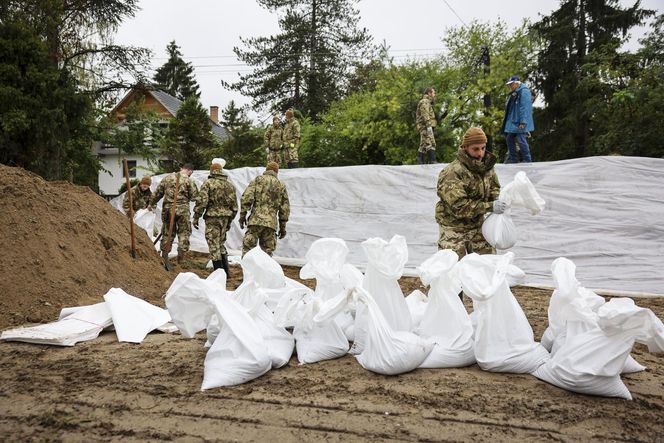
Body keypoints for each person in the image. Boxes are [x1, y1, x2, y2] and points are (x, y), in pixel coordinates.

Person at [436, 127, 507, 260]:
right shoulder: (452, 172)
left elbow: (494, 190)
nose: (480, 153)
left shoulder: (487, 168)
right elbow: (459, 207)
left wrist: (500, 199)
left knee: (488, 265)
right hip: (454, 228)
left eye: (483, 148)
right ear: (465, 147)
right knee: (451, 270)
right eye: (475, 149)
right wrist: (490, 206)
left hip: (478, 226)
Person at [193, 159, 238, 276]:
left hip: (213, 218)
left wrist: (196, 216)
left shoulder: (208, 183)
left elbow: (202, 201)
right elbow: (234, 206)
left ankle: (219, 274)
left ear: (212, 171)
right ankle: (226, 273)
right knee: (221, 243)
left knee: (213, 244)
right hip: (226, 218)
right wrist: (229, 220)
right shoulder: (230, 186)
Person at [149, 164, 198, 265]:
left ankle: (165, 257)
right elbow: (195, 197)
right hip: (182, 210)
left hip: (168, 209)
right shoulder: (189, 180)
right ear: (190, 171)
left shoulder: (167, 178)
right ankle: (181, 260)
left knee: (167, 232)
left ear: (181, 169)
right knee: (184, 232)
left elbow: (157, 193)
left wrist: (151, 204)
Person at [239, 161, 290, 256]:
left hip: (255, 221)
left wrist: (242, 216)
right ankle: (264, 270)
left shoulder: (258, 180)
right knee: (267, 253)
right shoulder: (281, 185)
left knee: (248, 250)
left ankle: (247, 270)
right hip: (271, 224)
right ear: (276, 172)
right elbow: (285, 208)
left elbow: (246, 198)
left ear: (266, 169)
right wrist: (283, 228)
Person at [501, 75, 534, 163]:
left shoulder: (524, 92)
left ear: (516, 83)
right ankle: (514, 159)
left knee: (521, 139)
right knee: (509, 138)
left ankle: (528, 160)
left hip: (520, 122)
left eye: (511, 84)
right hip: (514, 122)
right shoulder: (515, 92)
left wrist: (523, 121)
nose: (510, 86)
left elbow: (525, 107)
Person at [416, 87, 437, 164]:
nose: (434, 95)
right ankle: (432, 160)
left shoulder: (427, 102)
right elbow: (425, 114)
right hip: (426, 126)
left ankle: (421, 161)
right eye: (433, 93)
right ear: (429, 93)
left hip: (426, 125)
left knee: (424, 143)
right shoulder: (425, 101)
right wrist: (429, 126)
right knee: (430, 142)